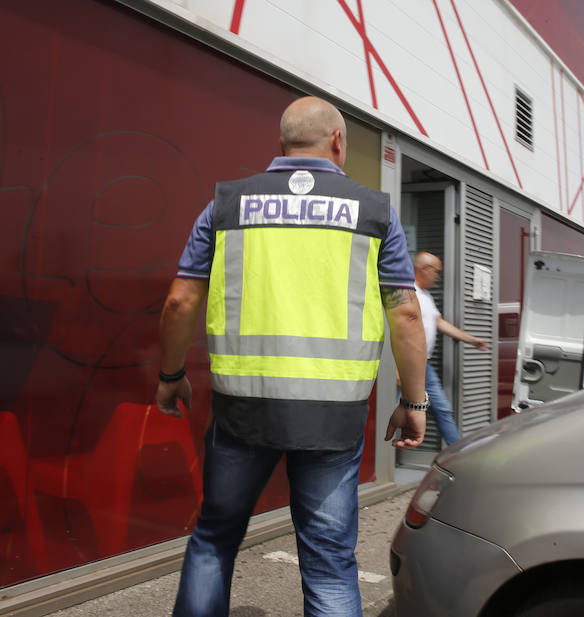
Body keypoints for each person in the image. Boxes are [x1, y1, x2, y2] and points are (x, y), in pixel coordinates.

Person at [154, 96, 429, 617]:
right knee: (328, 563)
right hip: (334, 417)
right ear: (338, 141)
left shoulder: (226, 205)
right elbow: (407, 315)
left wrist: (170, 374)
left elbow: (180, 301)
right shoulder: (374, 212)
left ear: (281, 144)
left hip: (242, 411)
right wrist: (414, 403)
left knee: (214, 540)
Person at [412, 251, 489, 446]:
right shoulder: (408, 293)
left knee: (442, 409)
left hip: (424, 365)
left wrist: (472, 340)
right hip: (406, 364)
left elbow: (440, 323)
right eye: (436, 272)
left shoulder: (425, 296)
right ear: (425, 269)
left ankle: (459, 452)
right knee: (393, 410)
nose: (437, 277)